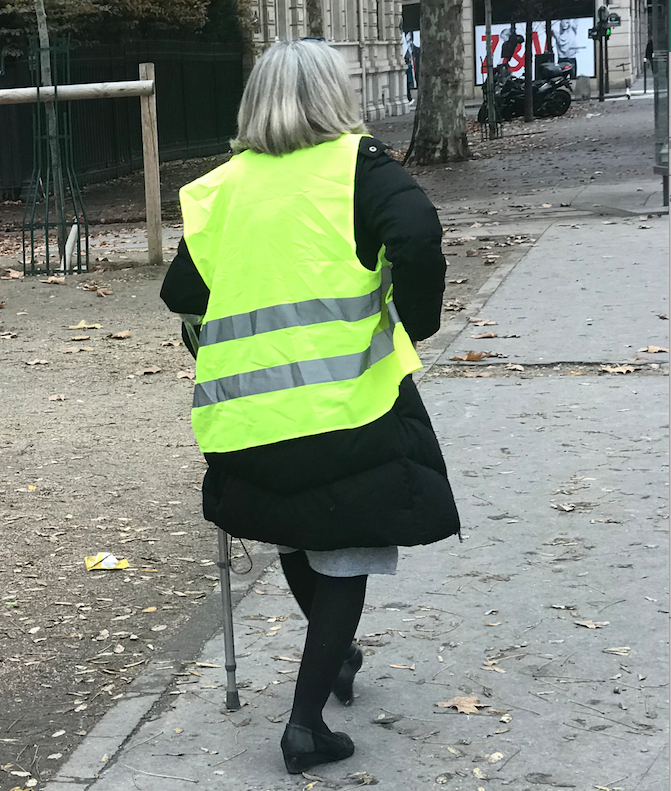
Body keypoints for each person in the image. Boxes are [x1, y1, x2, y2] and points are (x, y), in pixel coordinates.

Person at [160, 39, 460, 775]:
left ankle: (339, 655)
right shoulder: (358, 168)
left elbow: (182, 297)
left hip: (245, 415)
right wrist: (414, 319)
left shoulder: (222, 187)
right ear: (335, 95)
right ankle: (303, 724)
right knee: (347, 546)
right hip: (346, 405)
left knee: (299, 533)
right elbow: (418, 237)